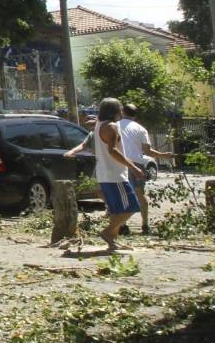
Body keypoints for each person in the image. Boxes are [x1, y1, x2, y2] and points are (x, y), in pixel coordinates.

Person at [65, 97, 144, 252]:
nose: (121, 111)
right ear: (115, 111)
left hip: (105, 174)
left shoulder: (99, 125)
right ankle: (108, 233)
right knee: (131, 207)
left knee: (117, 210)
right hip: (115, 175)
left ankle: (113, 241)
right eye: (119, 108)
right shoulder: (111, 127)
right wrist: (133, 167)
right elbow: (113, 151)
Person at [118, 103, 174, 235]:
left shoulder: (115, 126)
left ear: (122, 112)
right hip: (137, 164)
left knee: (123, 195)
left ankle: (123, 225)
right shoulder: (141, 129)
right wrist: (163, 155)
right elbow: (147, 151)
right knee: (140, 194)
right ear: (135, 115)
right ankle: (145, 225)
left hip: (120, 162)